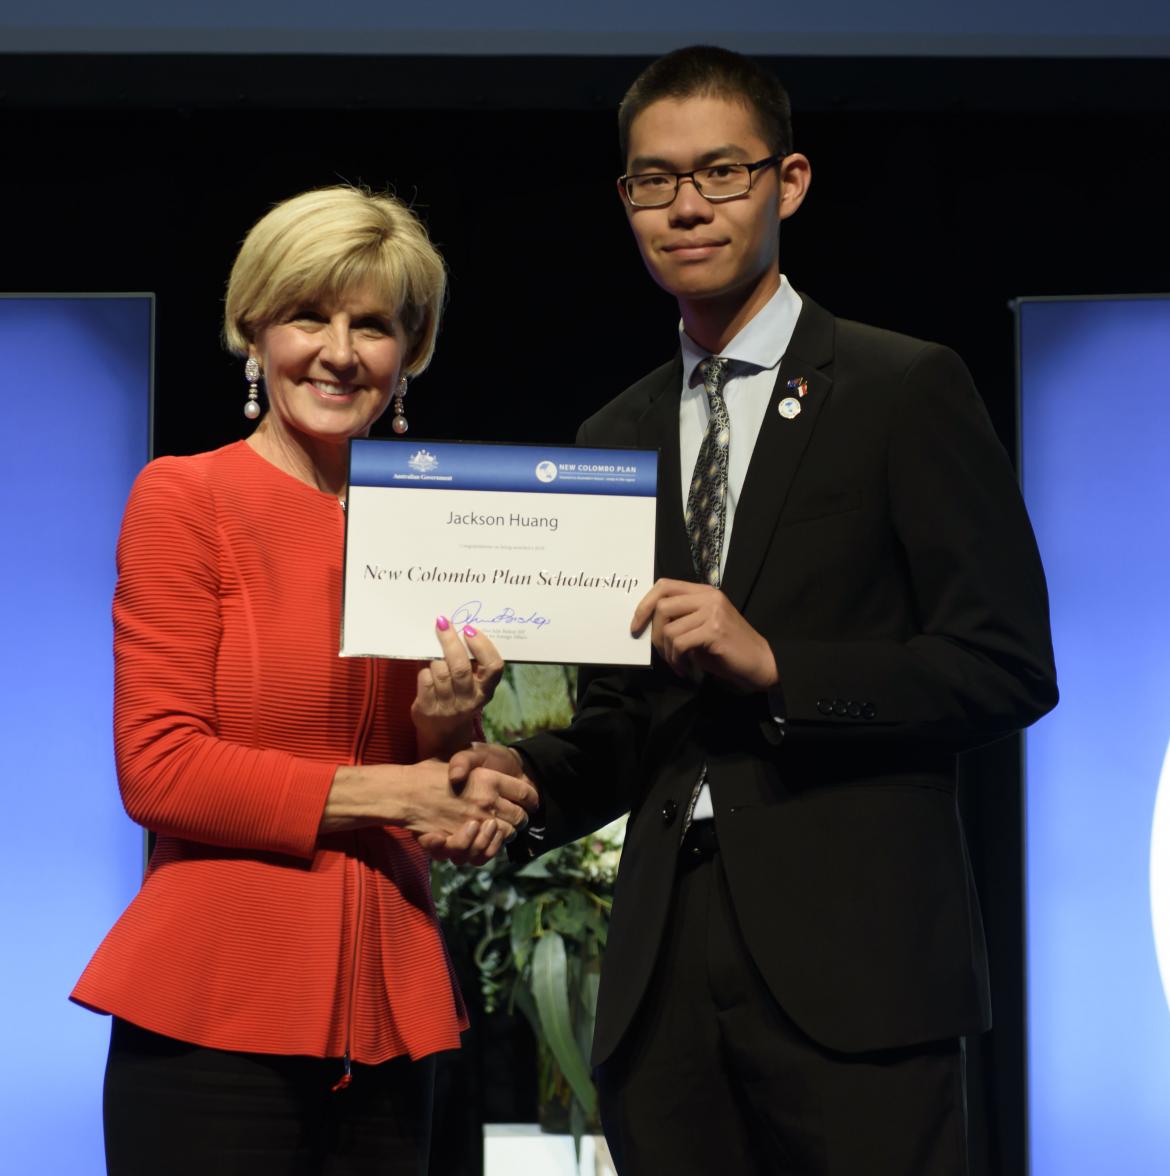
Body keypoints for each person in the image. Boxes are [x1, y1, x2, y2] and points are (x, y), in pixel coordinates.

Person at [441, 47, 1058, 1175]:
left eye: (720, 173)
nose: (686, 206)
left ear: (791, 181)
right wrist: (524, 780)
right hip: (664, 974)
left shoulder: (902, 388)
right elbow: (633, 724)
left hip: (860, 970)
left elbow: (1006, 666)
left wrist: (780, 665)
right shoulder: (611, 438)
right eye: (652, 180)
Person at [71, 185, 537, 1176]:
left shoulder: (441, 523)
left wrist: (454, 756)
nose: (339, 350)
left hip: (392, 1002)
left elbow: (428, 787)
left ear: (410, 351)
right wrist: (403, 792)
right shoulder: (185, 497)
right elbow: (159, 771)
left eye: (374, 325)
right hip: (215, 1005)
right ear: (254, 330)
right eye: (307, 316)